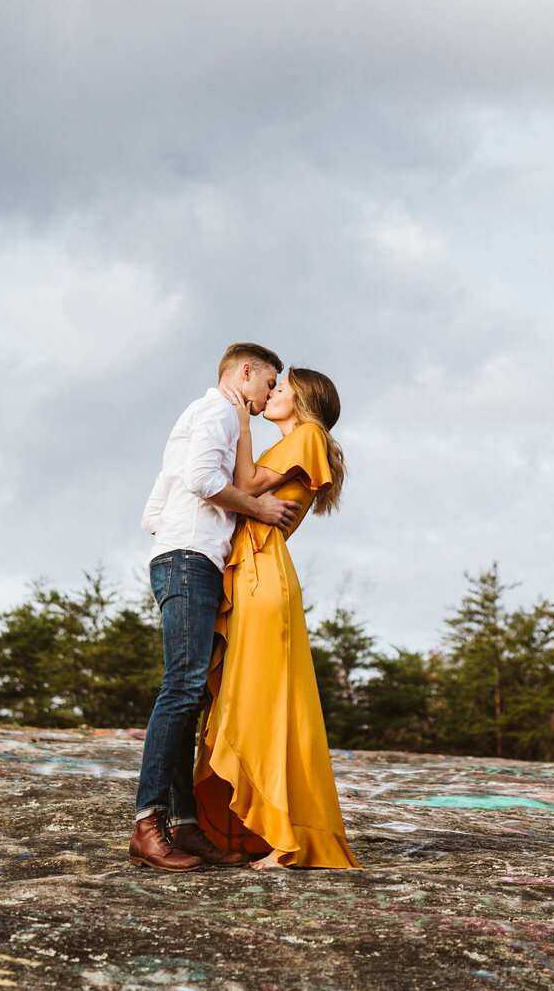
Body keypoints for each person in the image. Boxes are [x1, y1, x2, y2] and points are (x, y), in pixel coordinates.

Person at [129, 343, 300, 872]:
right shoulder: (219, 410)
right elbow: (203, 481)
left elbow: (154, 511)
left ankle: (183, 826)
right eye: (269, 382)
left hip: (179, 553)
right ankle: (148, 821)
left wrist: (185, 530)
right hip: (189, 560)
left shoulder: (204, 414)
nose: (271, 392)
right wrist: (258, 507)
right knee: (182, 688)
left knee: (191, 695)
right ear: (244, 372)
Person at [194, 367, 360, 869]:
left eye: (280, 389)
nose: (271, 394)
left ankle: (289, 837)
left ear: (303, 400)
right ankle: (256, 830)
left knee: (265, 703)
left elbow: (244, 483)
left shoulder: (308, 436)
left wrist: (241, 420)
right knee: (255, 700)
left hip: (262, 575)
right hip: (253, 572)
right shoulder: (295, 444)